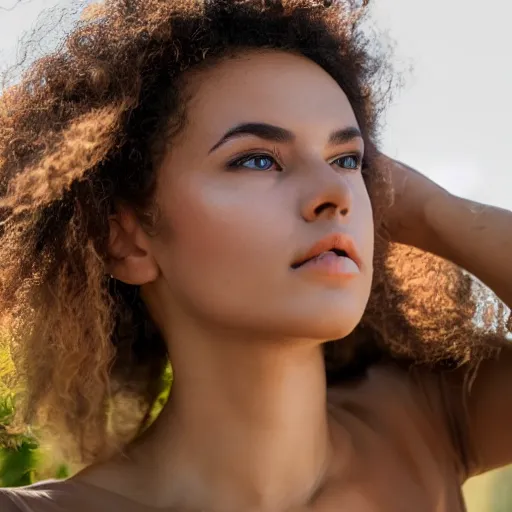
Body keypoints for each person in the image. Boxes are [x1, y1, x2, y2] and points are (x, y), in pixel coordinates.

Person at [0, 0, 510, 510]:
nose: (336, 192)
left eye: (346, 159)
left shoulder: (423, 424)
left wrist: (431, 210)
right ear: (127, 239)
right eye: (258, 159)